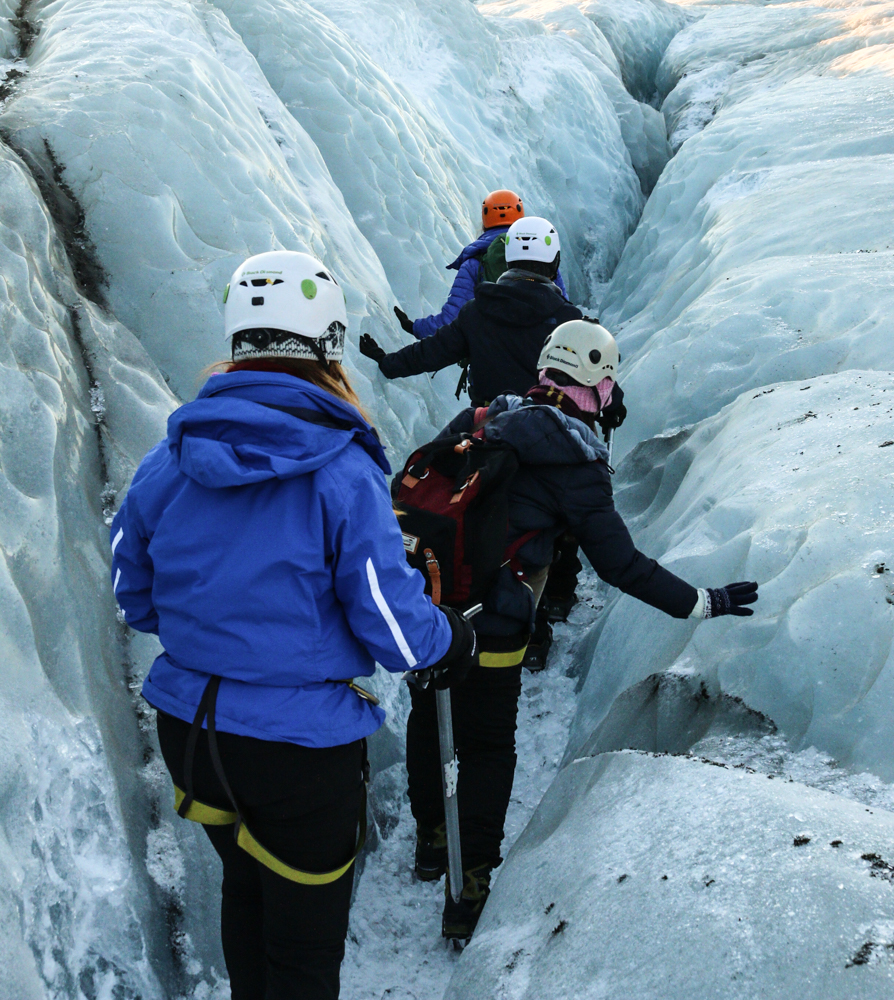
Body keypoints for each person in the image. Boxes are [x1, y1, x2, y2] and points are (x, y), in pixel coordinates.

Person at [109, 250, 477, 1000]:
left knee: (246, 891)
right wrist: (456, 639)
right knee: (305, 954)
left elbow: (131, 591)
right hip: (298, 754)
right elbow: (396, 632)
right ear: (329, 346)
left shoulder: (168, 460)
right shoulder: (340, 473)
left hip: (194, 733)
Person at [404, 318, 759, 942]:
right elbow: (620, 565)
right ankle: (470, 885)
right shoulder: (579, 461)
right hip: (497, 623)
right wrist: (702, 602)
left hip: (429, 611)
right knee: (487, 745)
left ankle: (433, 843)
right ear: (600, 383)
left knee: (429, 717)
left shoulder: (483, 418)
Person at [359, 217, 587, 406]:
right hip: (548, 428)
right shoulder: (569, 321)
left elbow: (431, 353)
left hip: (488, 428)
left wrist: (386, 361)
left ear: (508, 260)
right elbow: (594, 375)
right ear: (554, 262)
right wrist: (614, 403)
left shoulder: (477, 312)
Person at [394, 189, 568, 341]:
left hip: (489, 363)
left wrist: (414, 327)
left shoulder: (474, 263)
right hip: (541, 363)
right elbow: (565, 315)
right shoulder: (543, 260)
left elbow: (451, 318)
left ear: (485, 220)